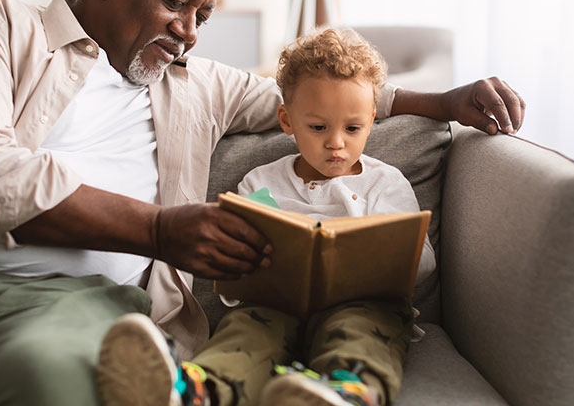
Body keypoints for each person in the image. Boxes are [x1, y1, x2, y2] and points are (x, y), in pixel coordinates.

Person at [0, 0, 525, 406]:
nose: (190, 31)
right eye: (176, 3)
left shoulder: (198, 84)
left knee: (45, 381)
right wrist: (159, 228)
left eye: (203, 15)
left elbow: (316, 96)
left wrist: (442, 100)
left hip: (68, 302)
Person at [97, 27, 437, 406]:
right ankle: (196, 391)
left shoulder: (384, 183)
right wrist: (244, 270)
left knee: (363, 331)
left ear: (372, 120)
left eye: (353, 128)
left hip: (363, 304)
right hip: (276, 306)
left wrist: (375, 252)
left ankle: (345, 394)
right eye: (318, 127)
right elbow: (233, 274)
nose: (336, 143)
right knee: (247, 331)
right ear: (287, 121)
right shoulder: (261, 183)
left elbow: (422, 264)